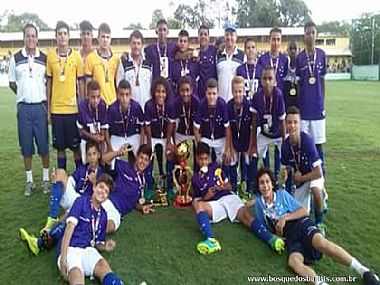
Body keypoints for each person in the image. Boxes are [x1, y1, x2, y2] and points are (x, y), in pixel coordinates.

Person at [254, 168, 380, 285]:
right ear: (258, 186)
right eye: (261, 183)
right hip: (291, 237)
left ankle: (363, 271)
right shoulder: (259, 204)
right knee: (293, 262)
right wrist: (275, 236)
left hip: (301, 223)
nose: (265, 186)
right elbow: (265, 227)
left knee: (320, 242)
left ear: (272, 183)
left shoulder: (281, 194)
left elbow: (304, 211)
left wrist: (284, 219)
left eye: (267, 182)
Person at [192, 142, 284, 255]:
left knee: (245, 216)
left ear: (209, 158)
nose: (203, 162)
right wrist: (207, 196)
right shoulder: (195, 178)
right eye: (201, 159)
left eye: (206, 159)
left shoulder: (215, 167)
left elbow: (229, 185)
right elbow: (196, 202)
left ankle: (271, 239)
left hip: (227, 196)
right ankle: (211, 240)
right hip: (214, 204)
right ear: (196, 159)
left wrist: (221, 187)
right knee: (199, 206)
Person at [19, 141, 106, 256]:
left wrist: (95, 182)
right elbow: (71, 181)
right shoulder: (82, 169)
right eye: (89, 154)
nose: (91, 157)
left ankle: (38, 243)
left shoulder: (102, 174)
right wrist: (57, 182)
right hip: (74, 198)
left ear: (99, 155)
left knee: (68, 221)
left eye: (94, 154)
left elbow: (100, 198)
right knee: (60, 173)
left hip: (86, 205)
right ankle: (52, 218)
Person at [57, 173, 124, 285]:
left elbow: (97, 243)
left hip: (87, 250)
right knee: (77, 278)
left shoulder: (103, 215)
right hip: (71, 250)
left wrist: (105, 246)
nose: (102, 192)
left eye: (106, 191)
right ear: (94, 187)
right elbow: (68, 231)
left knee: (105, 269)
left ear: (107, 197)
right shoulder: (81, 202)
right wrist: (63, 260)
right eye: (101, 187)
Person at [8, 23, 50, 195]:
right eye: (28, 36)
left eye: (33, 36)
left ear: (37, 38)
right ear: (24, 37)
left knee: (44, 146)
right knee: (26, 147)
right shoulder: (15, 58)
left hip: (40, 107)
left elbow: (48, 83)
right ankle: (30, 181)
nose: (31, 39)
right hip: (24, 108)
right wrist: (23, 95)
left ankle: (46, 179)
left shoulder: (44, 58)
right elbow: (12, 82)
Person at [281, 106, 326, 233]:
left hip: (313, 175)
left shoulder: (307, 140)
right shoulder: (285, 145)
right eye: (289, 122)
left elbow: (318, 172)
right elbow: (287, 167)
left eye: (295, 122)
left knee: (315, 190)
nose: (292, 126)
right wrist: (286, 173)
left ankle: (319, 222)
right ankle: (319, 203)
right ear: (285, 124)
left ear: (300, 124)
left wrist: (301, 178)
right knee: (300, 213)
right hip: (301, 181)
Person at [47, 21, 85, 170]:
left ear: (69, 36)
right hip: (57, 110)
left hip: (72, 110)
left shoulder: (76, 57)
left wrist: (82, 107)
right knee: (60, 148)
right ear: (56, 36)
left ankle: (80, 177)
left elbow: (81, 84)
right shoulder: (50, 56)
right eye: (59, 34)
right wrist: (49, 109)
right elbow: (49, 84)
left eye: (64, 33)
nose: (62, 37)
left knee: (76, 148)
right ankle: (61, 181)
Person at [296, 21, 327, 179]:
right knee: (305, 144)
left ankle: (322, 179)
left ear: (316, 35)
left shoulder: (322, 55)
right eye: (308, 33)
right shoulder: (300, 58)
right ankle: (308, 176)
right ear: (304, 36)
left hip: (318, 109)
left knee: (319, 144)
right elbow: (299, 85)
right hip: (304, 110)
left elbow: (322, 81)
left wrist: (323, 102)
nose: (310, 35)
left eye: (313, 32)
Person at [248, 66, 286, 184]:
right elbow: (254, 122)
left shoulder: (278, 95)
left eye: (270, 78)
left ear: (275, 81)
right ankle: (253, 185)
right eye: (265, 79)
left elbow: (282, 122)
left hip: (279, 133)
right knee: (252, 156)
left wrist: (285, 146)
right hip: (264, 134)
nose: (267, 82)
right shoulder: (257, 96)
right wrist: (253, 143)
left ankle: (288, 186)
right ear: (261, 80)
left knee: (288, 160)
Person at [193, 78, 232, 172]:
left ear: (218, 94)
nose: (211, 97)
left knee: (225, 158)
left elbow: (227, 128)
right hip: (206, 138)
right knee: (203, 159)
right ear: (205, 93)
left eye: (214, 94)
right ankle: (203, 180)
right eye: (209, 93)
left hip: (220, 138)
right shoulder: (202, 105)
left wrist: (227, 148)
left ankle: (224, 180)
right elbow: (196, 128)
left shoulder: (222, 105)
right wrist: (200, 146)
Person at [144, 77, 172, 199]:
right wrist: (149, 143)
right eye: (158, 91)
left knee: (170, 154)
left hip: (166, 135)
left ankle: (169, 184)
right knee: (148, 154)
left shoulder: (170, 104)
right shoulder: (149, 105)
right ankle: (150, 184)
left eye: (163, 92)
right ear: (153, 92)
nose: (160, 94)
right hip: (153, 136)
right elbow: (147, 125)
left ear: (167, 93)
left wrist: (169, 142)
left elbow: (171, 123)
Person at [227, 76, 254, 195]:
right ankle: (233, 187)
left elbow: (253, 128)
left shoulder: (249, 106)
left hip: (247, 140)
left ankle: (248, 186)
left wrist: (251, 146)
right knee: (232, 161)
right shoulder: (228, 106)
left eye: (240, 91)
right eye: (235, 91)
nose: (238, 94)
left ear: (244, 91)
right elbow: (227, 129)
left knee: (248, 160)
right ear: (232, 91)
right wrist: (230, 147)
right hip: (234, 140)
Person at [107, 79, 145, 159]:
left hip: (133, 135)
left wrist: (141, 143)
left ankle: (139, 171)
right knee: (111, 159)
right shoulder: (112, 108)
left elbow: (142, 124)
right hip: (117, 136)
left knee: (141, 155)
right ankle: (113, 170)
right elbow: (106, 129)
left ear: (131, 95)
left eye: (127, 95)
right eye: (122, 95)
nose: (124, 98)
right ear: (117, 95)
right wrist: (109, 146)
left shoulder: (136, 106)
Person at [117, 30, 152, 110]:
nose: (136, 46)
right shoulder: (123, 63)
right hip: (130, 109)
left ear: (142, 45)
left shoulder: (149, 63)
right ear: (130, 44)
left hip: (147, 108)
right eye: (134, 43)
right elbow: (119, 86)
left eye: (138, 43)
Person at [85, 23, 119, 106]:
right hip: (98, 103)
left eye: (107, 37)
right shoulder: (90, 58)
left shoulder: (116, 59)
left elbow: (117, 83)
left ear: (110, 39)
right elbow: (88, 84)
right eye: (103, 37)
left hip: (113, 102)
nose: (105, 40)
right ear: (98, 38)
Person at [77, 80, 110, 163]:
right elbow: (80, 131)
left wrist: (101, 138)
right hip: (87, 139)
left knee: (103, 159)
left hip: (99, 138)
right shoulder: (82, 106)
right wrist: (93, 137)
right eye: (93, 97)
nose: (96, 100)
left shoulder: (102, 105)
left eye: (98, 97)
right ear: (87, 95)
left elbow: (104, 127)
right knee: (86, 162)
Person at [216, 23, 244, 102]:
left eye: (232, 35)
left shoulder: (242, 56)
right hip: (220, 101)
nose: (229, 37)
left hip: (236, 102)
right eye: (227, 35)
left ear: (236, 37)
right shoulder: (218, 55)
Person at [257, 27, 288, 95]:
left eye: (278, 40)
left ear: (281, 41)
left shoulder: (285, 60)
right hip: (265, 96)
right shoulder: (262, 59)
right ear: (269, 40)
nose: (276, 43)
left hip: (280, 96)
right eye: (273, 39)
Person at [169, 29, 199, 97]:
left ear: (188, 44)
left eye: (185, 41)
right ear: (178, 43)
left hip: (192, 98)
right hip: (178, 99)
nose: (182, 43)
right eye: (181, 41)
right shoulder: (173, 62)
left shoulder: (194, 61)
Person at [197, 25, 217, 99]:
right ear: (198, 38)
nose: (203, 36)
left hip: (213, 93)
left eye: (205, 34)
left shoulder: (215, 50)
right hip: (200, 94)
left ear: (209, 38)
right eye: (201, 34)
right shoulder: (195, 53)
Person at [283, 42, 299, 110]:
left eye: (295, 49)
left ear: (298, 50)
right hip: (286, 101)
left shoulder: (301, 66)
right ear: (287, 50)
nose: (293, 51)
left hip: (298, 102)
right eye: (291, 49)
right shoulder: (284, 65)